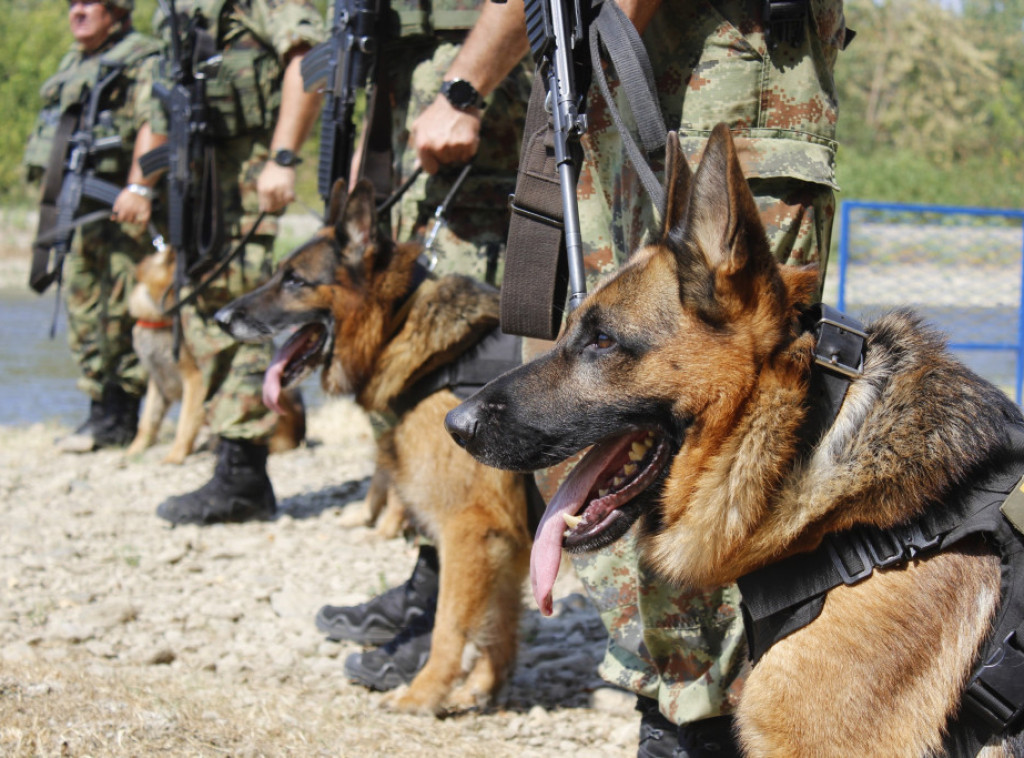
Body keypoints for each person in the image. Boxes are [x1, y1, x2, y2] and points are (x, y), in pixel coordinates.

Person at [409, 1, 850, 755]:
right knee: (616, 417)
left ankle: (720, 722)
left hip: (731, 86)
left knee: (738, 439)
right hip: (610, 95)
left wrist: (465, 86)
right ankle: (676, 699)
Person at [312, 0, 532, 691]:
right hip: (425, 109)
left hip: (477, 107)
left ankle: (442, 639)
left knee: (473, 475)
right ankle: (434, 597)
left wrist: (465, 90)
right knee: (448, 466)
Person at [148, 0, 326, 526]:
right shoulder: (176, 11)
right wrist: (143, 184)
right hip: (196, 191)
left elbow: (308, 58)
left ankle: (244, 474)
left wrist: (283, 156)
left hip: (249, 183)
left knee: (248, 320)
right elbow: (162, 106)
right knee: (206, 325)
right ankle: (232, 460)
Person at [23, 0, 164, 454]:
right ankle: (98, 412)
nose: (76, 12)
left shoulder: (143, 58)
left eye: (89, 3)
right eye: (72, 4)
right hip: (79, 207)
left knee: (121, 307)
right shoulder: (74, 61)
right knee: (84, 306)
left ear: (117, 11)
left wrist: (139, 187)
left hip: (123, 209)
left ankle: (123, 416)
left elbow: (154, 122)